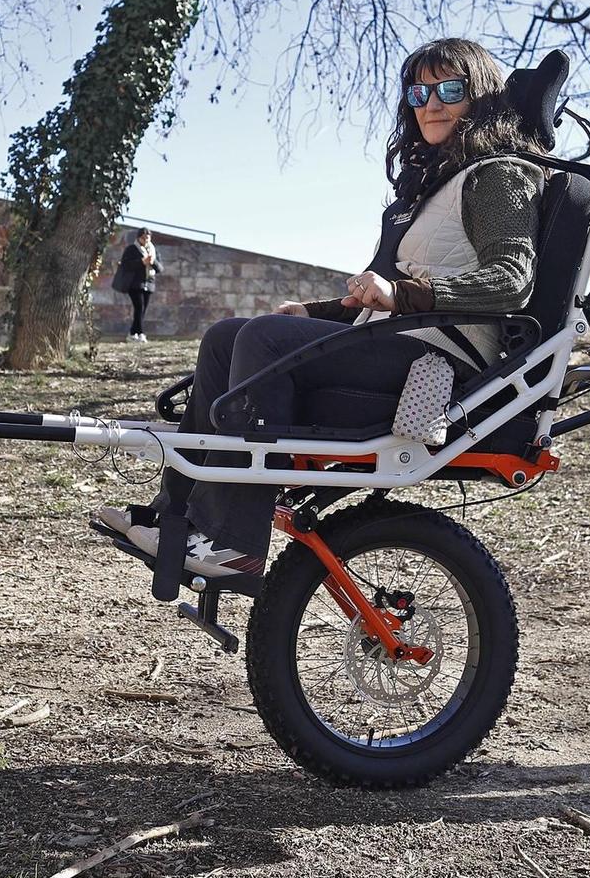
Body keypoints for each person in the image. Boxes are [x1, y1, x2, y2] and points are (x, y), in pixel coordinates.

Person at [96, 38, 544, 578]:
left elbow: (511, 279)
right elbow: (388, 290)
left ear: (483, 98)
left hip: (442, 364)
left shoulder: (497, 174)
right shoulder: (435, 186)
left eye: (451, 88)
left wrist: (402, 296)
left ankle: (233, 542)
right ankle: (176, 518)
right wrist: (318, 311)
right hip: (403, 339)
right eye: (419, 90)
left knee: (261, 340)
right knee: (226, 336)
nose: (431, 102)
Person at [111, 229, 157, 342]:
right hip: (135, 284)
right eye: (144, 238)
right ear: (139, 238)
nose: (146, 240)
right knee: (139, 307)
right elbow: (126, 265)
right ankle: (140, 333)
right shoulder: (131, 249)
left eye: (148, 238)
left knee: (143, 309)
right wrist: (141, 262)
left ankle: (133, 333)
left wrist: (152, 262)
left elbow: (160, 267)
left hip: (149, 283)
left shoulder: (153, 250)